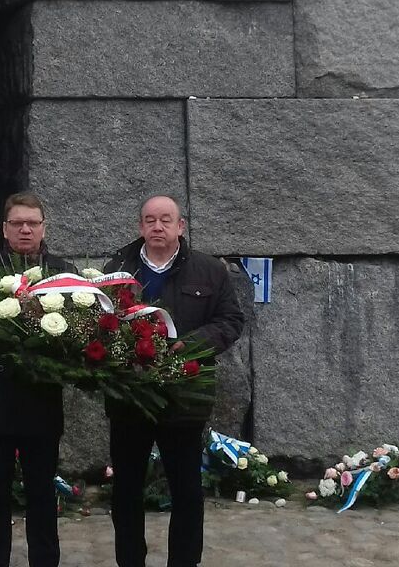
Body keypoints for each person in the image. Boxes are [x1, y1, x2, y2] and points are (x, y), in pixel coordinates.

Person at [103, 195, 244, 567]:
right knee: (127, 490)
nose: (157, 227)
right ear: (140, 227)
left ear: (181, 226)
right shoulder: (117, 268)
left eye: (166, 220)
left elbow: (230, 321)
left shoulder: (209, 271)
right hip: (130, 398)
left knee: (186, 491)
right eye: (150, 220)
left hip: (185, 398)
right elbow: (98, 322)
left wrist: (189, 345)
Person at [0, 191, 74, 567]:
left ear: (44, 228)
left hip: (42, 402)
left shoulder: (62, 271)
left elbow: (76, 333)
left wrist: (45, 362)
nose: (25, 229)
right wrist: (16, 359)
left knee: (42, 494)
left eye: (33, 223)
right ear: (5, 228)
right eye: (17, 223)